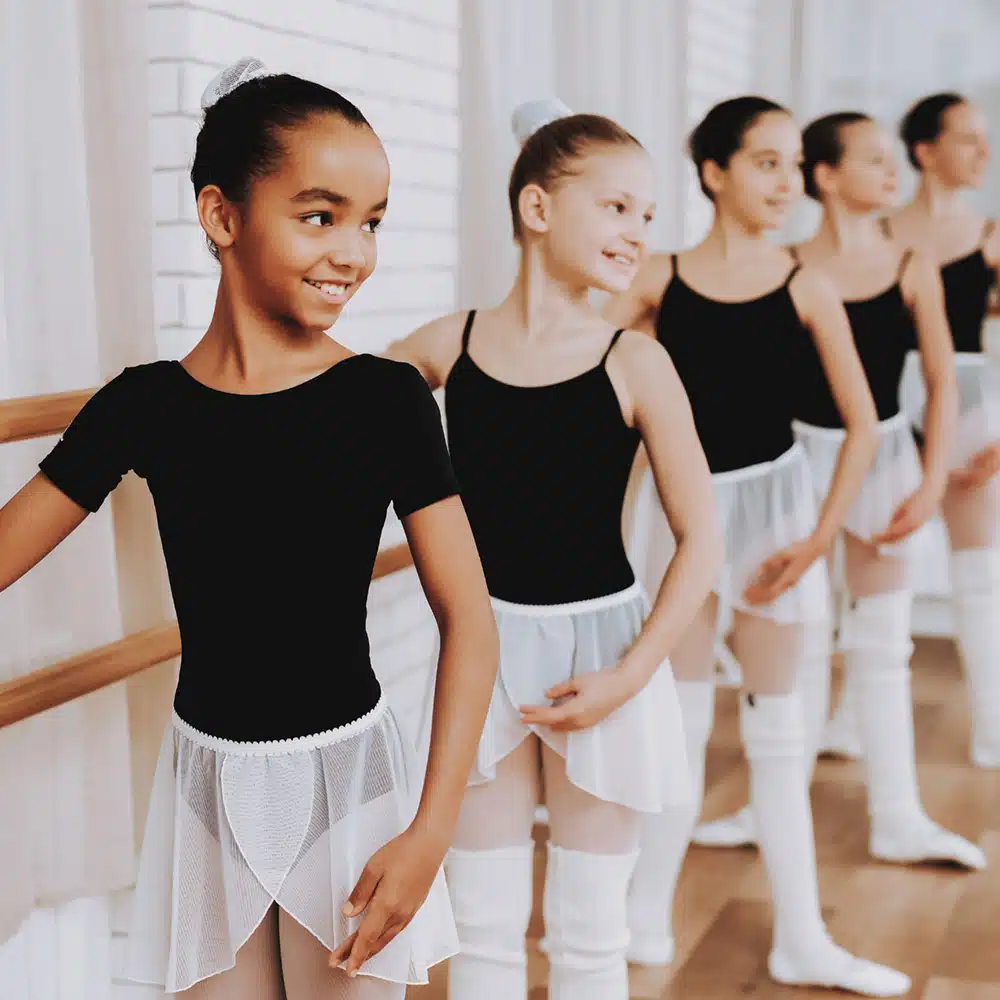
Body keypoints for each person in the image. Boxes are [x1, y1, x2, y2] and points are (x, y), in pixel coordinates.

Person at [0, 58, 500, 1000]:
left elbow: (469, 619)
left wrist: (429, 832)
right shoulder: (143, 405)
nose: (353, 251)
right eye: (321, 216)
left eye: (372, 221)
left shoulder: (384, 400)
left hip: (346, 786)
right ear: (221, 217)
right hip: (205, 791)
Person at [385, 98, 722, 1000]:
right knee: (485, 929)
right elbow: (333, 405)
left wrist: (632, 674)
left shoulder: (634, 360)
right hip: (481, 655)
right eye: (617, 208)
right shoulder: (444, 348)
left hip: (604, 657)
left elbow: (701, 542)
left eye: (647, 216)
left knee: (587, 934)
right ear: (538, 210)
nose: (637, 233)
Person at [608, 96, 911, 995]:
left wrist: (817, 540)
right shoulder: (656, 279)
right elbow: (586, 383)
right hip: (678, 519)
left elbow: (863, 425)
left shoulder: (805, 284)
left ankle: (803, 940)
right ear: (714, 173)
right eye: (767, 163)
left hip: (778, 519)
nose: (787, 183)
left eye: (792, 164)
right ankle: (644, 922)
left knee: (781, 742)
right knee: (681, 728)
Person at [692, 111, 983, 870]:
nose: (892, 174)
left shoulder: (909, 264)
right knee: (794, 644)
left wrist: (927, 478)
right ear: (825, 176)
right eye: (873, 160)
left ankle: (899, 817)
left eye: (895, 160)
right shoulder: (785, 267)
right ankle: (766, 807)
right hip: (792, 464)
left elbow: (942, 382)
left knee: (883, 647)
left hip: (882, 457)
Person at [860, 92, 1000, 770]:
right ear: (925, 151)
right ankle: (850, 722)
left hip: (968, 403)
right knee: (878, 570)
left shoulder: (990, 235)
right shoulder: (880, 236)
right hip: (888, 403)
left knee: (979, 575)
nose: (984, 152)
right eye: (969, 139)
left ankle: (994, 729)